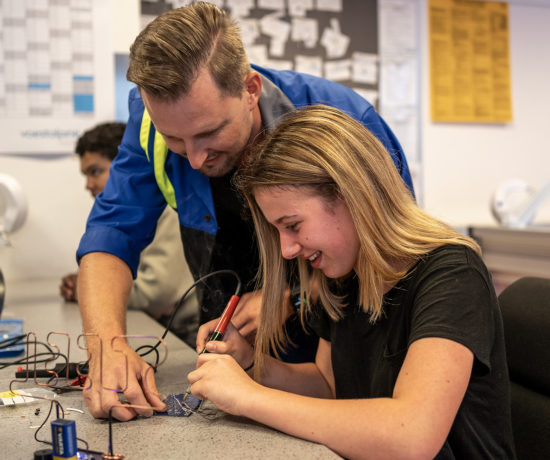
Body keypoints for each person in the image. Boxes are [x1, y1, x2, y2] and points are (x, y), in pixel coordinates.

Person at [75, 2, 414, 421]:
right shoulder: (150, 120)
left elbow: (395, 254)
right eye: (176, 141)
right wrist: (107, 347)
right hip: (237, 363)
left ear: (250, 89)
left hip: (335, 372)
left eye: (209, 133)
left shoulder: (341, 123)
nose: (195, 159)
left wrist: (292, 295)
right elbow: (112, 231)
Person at [189, 105, 516, 459]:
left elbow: (412, 435)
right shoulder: (341, 275)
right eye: (278, 231)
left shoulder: (453, 275)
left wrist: (249, 397)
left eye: (293, 225)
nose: (286, 250)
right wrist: (252, 364)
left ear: (349, 197)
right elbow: (331, 386)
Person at [61, 122, 198, 341]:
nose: (88, 184)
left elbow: (157, 294)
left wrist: (88, 291)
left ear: (123, 169)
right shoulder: (129, 214)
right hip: (164, 326)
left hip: (188, 334)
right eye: (85, 175)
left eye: (95, 171)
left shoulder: (166, 208)